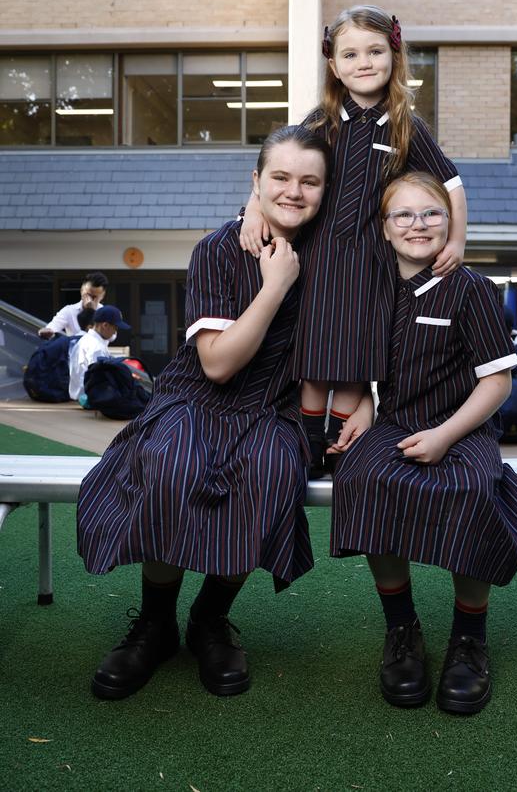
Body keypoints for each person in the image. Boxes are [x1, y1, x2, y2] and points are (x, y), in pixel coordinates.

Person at [76, 126, 331, 702]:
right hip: (196, 395)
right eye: (280, 178)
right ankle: (157, 622)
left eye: (310, 181)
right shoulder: (219, 248)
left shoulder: (333, 255)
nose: (294, 191)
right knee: (171, 463)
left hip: (273, 405)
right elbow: (216, 364)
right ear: (256, 183)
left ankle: (210, 618)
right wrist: (274, 287)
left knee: (265, 471)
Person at [332, 173, 517, 715]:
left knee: (469, 489)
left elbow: (498, 383)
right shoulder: (371, 290)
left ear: (450, 222)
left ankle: (470, 638)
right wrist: (367, 405)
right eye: (404, 215)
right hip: (395, 422)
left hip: (463, 429)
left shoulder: (473, 289)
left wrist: (445, 436)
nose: (417, 225)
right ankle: (402, 630)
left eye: (431, 214)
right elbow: (364, 365)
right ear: (384, 227)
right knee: (363, 476)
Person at [240, 5, 468, 477]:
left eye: (375, 51)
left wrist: (457, 242)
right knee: (316, 361)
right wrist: (254, 208)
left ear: (394, 55)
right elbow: (282, 164)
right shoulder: (322, 120)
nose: (363, 62)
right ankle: (306, 448)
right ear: (334, 64)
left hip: (371, 264)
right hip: (320, 259)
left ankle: (340, 451)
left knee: (354, 363)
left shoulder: (407, 124)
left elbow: (451, 185)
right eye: (350, 53)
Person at [68, 305, 130, 402]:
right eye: (115, 327)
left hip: (81, 395)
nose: (115, 332)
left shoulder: (86, 340)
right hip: (90, 398)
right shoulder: (96, 347)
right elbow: (98, 380)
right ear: (105, 325)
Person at [38, 271, 109, 339]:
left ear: (102, 296)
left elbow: (111, 337)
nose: (90, 299)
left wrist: (91, 311)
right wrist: (47, 331)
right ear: (81, 291)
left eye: (94, 297)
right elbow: (54, 326)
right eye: (87, 295)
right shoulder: (69, 311)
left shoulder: (106, 312)